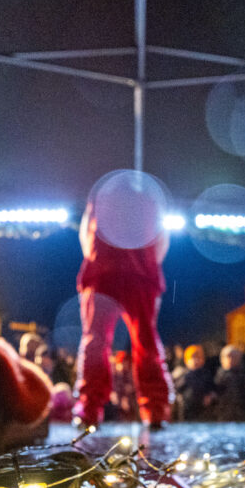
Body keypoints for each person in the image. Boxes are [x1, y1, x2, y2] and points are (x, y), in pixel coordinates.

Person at [71, 178, 174, 429]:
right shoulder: (148, 200)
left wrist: (96, 260)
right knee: (144, 342)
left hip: (105, 273)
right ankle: (155, 408)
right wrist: (149, 264)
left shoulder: (101, 196)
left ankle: (89, 408)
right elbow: (162, 238)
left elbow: (86, 234)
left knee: (97, 341)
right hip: (136, 273)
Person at [213, 345, 245, 421]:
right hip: (222, 415)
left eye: (234, 357)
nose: (230, 359)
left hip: (242, 415)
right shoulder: (217, 376)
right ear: (222, 359)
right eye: (227, 356)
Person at [172, 345, 214, 421]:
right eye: (192, 358)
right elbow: (176, 389)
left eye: (198, 357)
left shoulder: (206, 374)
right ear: (186, 360)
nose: (195, 360)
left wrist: (210, 396)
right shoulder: (181, 373)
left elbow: (211, 388)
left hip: (203, 410)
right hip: (186, 408)